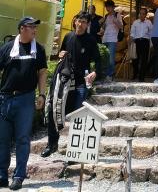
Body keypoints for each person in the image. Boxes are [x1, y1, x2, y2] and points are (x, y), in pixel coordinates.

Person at [41, 11, 100, 157]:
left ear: (87, 25)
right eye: (78, 21)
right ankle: (52, 144)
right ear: (75, 21)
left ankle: (75, 152)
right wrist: (60, 54)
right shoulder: (68, 36)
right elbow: (61, 52)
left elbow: (98, 60)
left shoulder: (91, 40)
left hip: (80, 84)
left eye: (84, 22)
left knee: (78, 118)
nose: (80, 24)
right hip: (64, 83)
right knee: (55, 112)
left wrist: (95, 72)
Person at [0, 17, 47, 191]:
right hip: (4, 99)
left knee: (22, 140)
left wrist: (41, 94)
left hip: (26, 99)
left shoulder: (39, 49)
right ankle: (2, 175)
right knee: (2, 140)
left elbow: (42, 73)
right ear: (21, 29)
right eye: (31, 27)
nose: (35, 30)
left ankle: (19, 176)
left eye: (35, 27)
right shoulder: (7, 48)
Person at [100, 0, 123, 82]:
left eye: (109, 7)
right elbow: (103, 28)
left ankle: (110, 75)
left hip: (113, 39)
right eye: (106, 7)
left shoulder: (117, 15)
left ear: (113, 7)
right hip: (104, 39)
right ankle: (104, 74)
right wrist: (100, 30)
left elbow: (121, 27)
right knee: (104, 57)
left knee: (111, 58)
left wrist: (115, 19)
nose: (107, 9)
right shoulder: (106, 16)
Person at [130, 7, 152, 82]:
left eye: (143, 14)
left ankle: (141, 77)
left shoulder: (148, 22)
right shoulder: (135, 22)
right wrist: (131, 40)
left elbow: (151, 33)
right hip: (137, 42)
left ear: (146, 15)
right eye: (140, 14)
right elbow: (132, 33)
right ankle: (135, 73)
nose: (141, 15)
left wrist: (151, 43)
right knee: (135, 59)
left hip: (145, 41)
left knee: (144, 60)